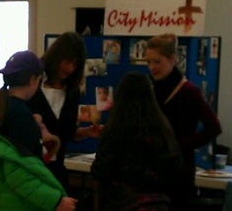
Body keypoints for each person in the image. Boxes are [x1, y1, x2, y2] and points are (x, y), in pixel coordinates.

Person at [0, 50, 78, 211]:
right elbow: (23, 174)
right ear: (33, 80)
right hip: (16, 202)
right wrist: (56, 201)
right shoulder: (23, 118)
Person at [145, 33, 222, 206]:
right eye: (148, 62)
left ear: (172, 59)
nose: (152, 67)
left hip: (179, 172)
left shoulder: (189, 91)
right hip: (153, 169)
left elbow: (214, 127)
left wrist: (182, 145)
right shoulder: (150, 89)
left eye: (157, 62)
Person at [91, 72, 184, 210]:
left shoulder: (115, 131)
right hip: (157, 204)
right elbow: (176, 170)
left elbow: (100, 170)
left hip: (121, 204)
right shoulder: (162, 130)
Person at [27, 31, 101, 188]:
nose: (70, 68)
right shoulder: (33, 84)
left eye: (75, 64)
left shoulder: (72, 92)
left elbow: (64, 133)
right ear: (56, 56)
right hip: (30, 170)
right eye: (67, 61)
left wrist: (86, 132)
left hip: (56, 171)